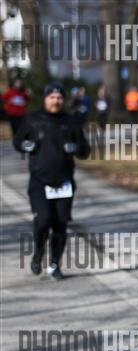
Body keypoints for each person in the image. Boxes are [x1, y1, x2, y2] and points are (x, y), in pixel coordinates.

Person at [12, 81, 90, 280]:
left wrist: (76, 148)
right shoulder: (33, 120)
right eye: (52, 97)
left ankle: (55, 264)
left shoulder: (70, 122)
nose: (56, 101)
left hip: (64, 182)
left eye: (59, 97)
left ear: (63, 100)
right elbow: (18, 141)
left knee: (60, 225)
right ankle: (38, 253)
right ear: (45, 99)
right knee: (43, 221)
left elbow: (85, 150)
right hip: (39, 181)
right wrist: (26, 145)